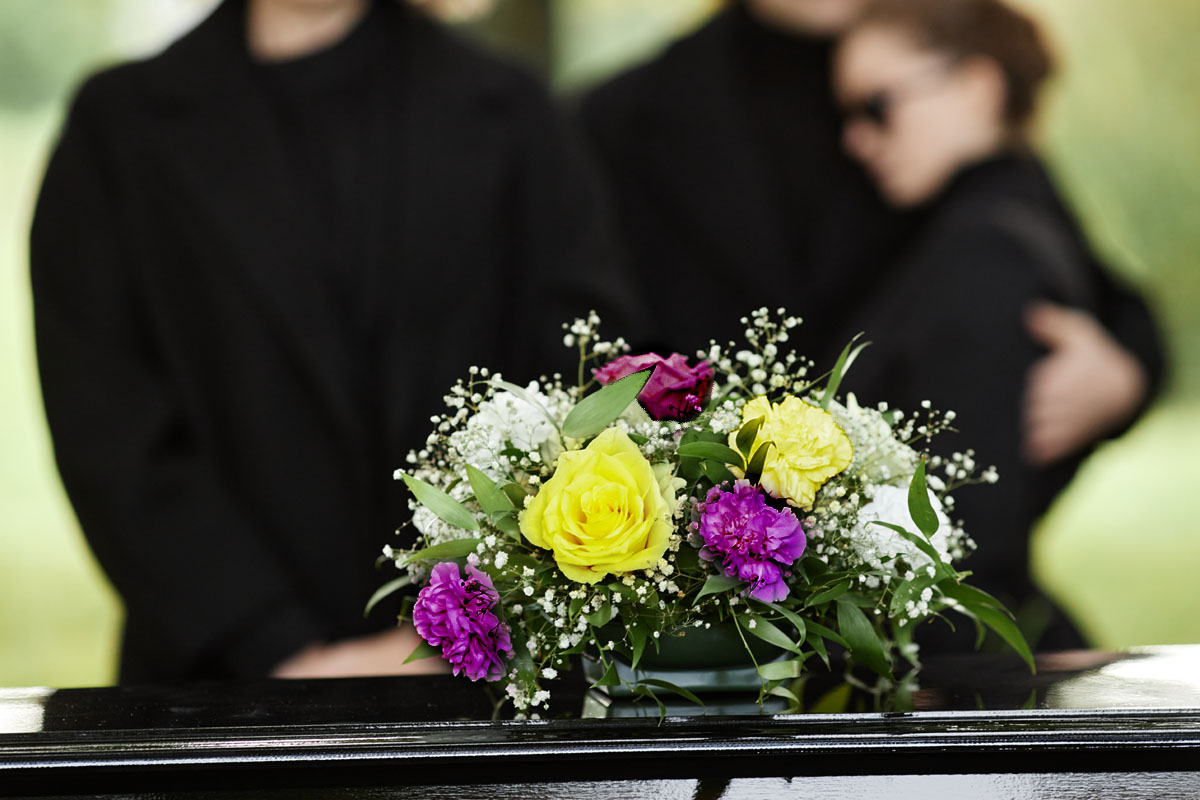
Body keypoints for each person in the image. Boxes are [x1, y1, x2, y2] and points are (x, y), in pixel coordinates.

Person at [31, 0, 636, 683]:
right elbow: (105, 416)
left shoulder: (512, 108)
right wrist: (274, 644)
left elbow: (581, 378)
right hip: (215, 686)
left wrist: (458, 623)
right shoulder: (118, 126)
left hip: (479, 681)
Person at [579, 0, 1163, 648]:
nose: (859, 140)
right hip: (701, 574)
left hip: (916, 599)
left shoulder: (926, 68)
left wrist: (1127, 370)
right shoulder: (618, 115)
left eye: (876, 112)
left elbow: (1083, 279)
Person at [829, 0, 1160, 647]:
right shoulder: (1011, 217)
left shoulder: (984, 251)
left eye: (877, 105)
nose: (856, 139)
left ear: (978, 88)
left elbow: (969, 542)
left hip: (953, 662)